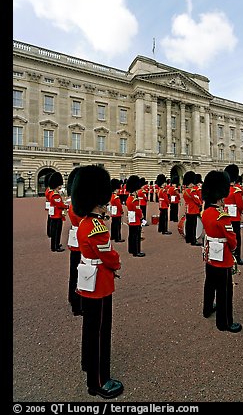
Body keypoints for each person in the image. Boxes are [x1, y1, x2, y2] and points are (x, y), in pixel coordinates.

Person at [71, 164, 124, 399]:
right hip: (100, 284)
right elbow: (110, 257)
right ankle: (99, 381)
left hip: (87, 280)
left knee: (90, 328)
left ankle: (88, 364)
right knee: (101, 331)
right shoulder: (97, 228)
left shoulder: (84, 223)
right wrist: (117, 265)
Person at [201, 170, 242, 333]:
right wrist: (233, 250)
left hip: (210, 253)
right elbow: (232, 241)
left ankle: (207, 309)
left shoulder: (205, 212)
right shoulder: (221, 216)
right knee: (225, 289)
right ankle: (224, 322)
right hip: (222, 256)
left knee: (209, 282)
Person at [66, 167, 84, 316]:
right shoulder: (77, 207)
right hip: (81, 242)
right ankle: (78, 304)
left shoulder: (73, 203)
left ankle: (73, 298)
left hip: (75, 241)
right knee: (80, 272)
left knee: (74, 271)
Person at [224, 164, 243, 265]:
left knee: (227, 236)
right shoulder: (236, 190)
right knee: (236, 237)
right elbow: (240, 205)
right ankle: (237, 257)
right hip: (235, 217)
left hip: (224, 216)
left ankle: (227, 255)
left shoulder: (224, 189)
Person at [126, 175, 145, 257]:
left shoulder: (129, 198)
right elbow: (138, 210)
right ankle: (136, 251)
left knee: (131, 234)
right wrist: (142, 217)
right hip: (136, 218)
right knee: (136, 236)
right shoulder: (135, 199)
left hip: (131, 218)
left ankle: (131, 249)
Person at [48, 171, 68, 252]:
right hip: (57, 215)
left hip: (54, 215)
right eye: (59, 185)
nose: (60, 186)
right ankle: (56, 246)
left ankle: (54, 245)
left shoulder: (53, 193)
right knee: (57, 232)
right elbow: (60, 205)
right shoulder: (55, 195)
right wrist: (67, 206)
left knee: (54, 232)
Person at [182, 170, 203, 246]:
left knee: (188, 225)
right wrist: (201, 203)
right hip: (193, 210)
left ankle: (188, 239)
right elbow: (197, 200)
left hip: (188, 209)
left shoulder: (185, 191)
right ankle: (193, 240)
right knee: (193, 226)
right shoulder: (192, 191)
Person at [109, 178, 125, 243]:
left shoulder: (111, 195)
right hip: (117, 212)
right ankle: (117, 238)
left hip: (113, 211)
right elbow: (119, 206)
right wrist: (122, 211)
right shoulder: (116, 197)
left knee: (113, 224)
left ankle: (113, 236)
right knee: (117, 226)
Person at [44, 172, 54, 238]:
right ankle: (51, 233)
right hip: (53, 207)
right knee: (52, 221)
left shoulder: (48, 189)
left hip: (50, 206)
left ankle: (49, 232)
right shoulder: (50, 191)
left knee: (50, 220)